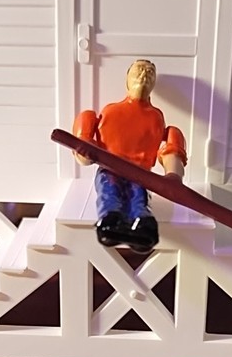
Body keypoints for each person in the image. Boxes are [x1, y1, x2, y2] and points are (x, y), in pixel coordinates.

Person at [72, 60, 187, 253]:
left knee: (138, 197)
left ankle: (143, 225)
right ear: (127, 80)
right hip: (110, 169)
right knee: (110, 192)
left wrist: (173, 176)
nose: (144, 74)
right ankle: (111, 220)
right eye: (139, 70)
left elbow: (172, 147)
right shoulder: (110, 111)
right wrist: (84, 148)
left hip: (140, 174)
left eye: (150, 72)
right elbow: (84, 155)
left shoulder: (156, 118)